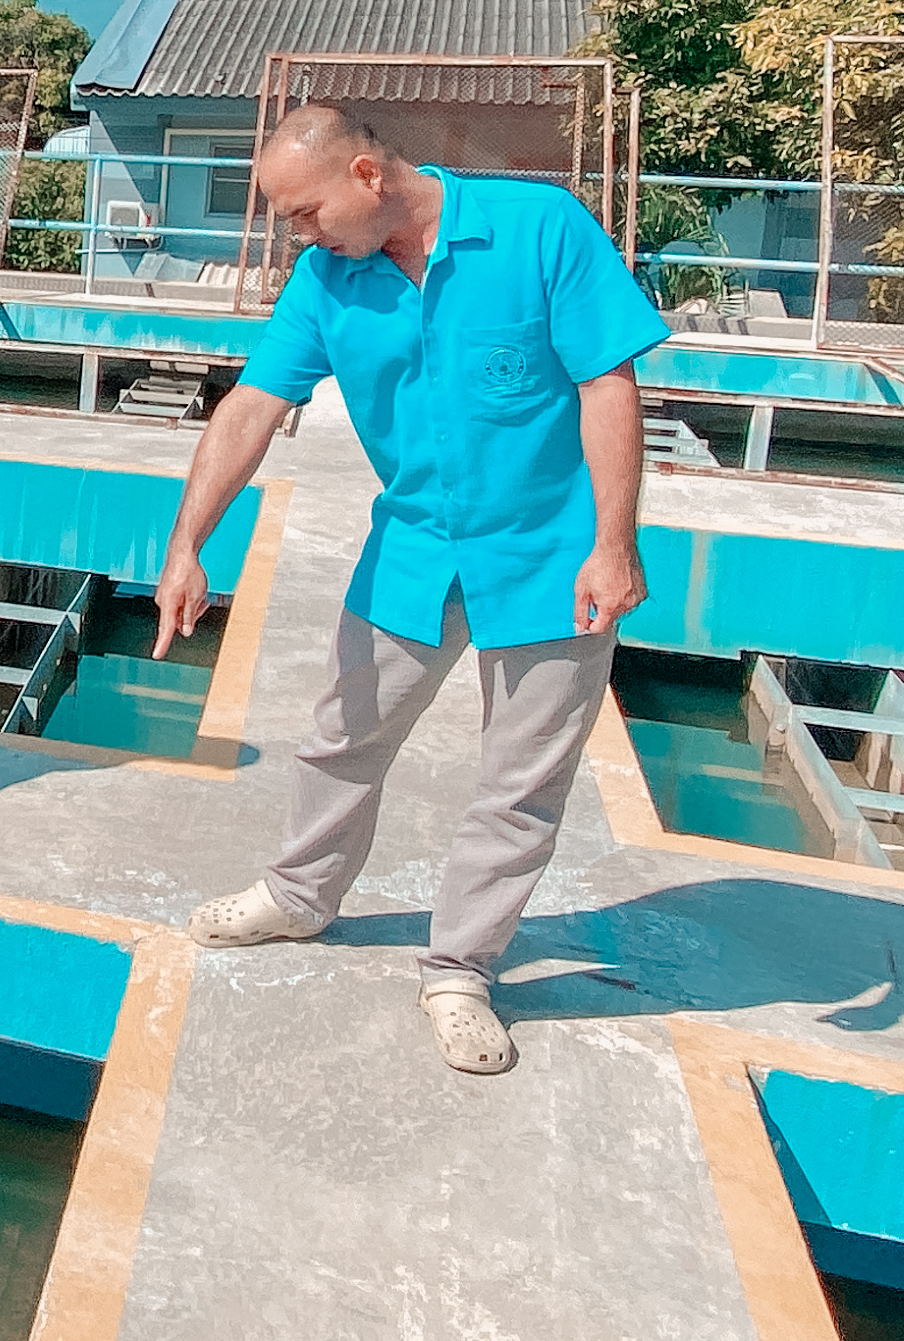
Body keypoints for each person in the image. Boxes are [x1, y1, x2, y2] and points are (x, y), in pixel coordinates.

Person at [156, 105, 668, 1075]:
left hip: (549, 559)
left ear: (364, 176)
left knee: (517, 787)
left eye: (303, 212)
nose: (294, 235)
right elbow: (250, 407)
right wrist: (187, 544)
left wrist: (613, 544)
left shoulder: (535, 228)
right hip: (412, 550)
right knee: (340, 735)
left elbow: (607, 381)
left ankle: (457, 969)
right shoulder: (326, 280)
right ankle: (298, 894)